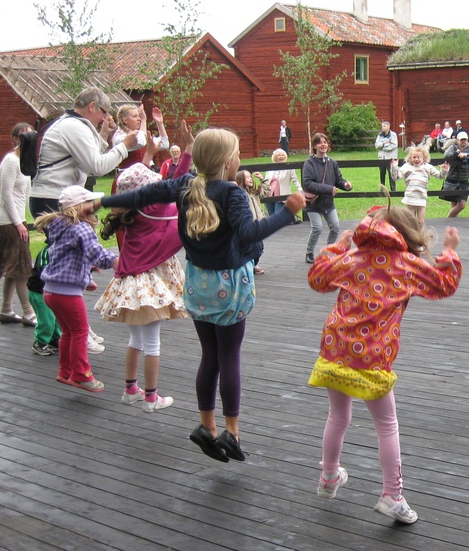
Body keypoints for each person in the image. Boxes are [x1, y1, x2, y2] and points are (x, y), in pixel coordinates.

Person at [95, 127, 307, 462]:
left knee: (210, 356)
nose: (239, 160)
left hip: (196, 285)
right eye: (236, 154)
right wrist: (287, 211)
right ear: (226, 162)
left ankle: (206, 425)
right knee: (229, 358)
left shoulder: (184, 187)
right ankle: (232, 432)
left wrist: (100, 201)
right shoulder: (230, 193)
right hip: (230, 287)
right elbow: (250, 231)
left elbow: (140, 197)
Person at [308, 202, 462, 524]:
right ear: (404, 231)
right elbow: (444, 284)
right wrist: (449, 252)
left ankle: (328, 477)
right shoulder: (406, 264)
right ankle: (392, 494)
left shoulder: (352, 258)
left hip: (336, 348)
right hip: (372, 356)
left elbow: (317, 278)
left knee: (338, 416)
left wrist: (338, 246)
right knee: (386, 424)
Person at [95, 155, 190, 412]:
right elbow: (175, 186)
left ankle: (130, 390)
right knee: (152, 344)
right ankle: (151, 397)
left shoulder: (132, 215)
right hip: (147, 289)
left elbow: (169, 185)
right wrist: (188, 155)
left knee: (135, 340)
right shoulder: (156, 212)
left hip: (129, 286)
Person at [34, 185, 119, 392]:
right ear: (80, 207)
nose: (95, 207)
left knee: (68, 333)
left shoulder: (59, 225)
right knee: (80, 332)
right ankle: (81, 375)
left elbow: (67, 257)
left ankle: (65, 372)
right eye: (90, 204)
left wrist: (86, 276)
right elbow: (97, 253)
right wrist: (117, 261)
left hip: (50, 292)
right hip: (67, 294)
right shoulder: (80, 227)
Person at [29, 87, 138, 218]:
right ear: (92, 106)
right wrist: (124, 146)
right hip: (53, 199)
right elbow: (99, 167)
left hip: (51, 197)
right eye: (104, 113)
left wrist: (104, 134)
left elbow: (90, 156)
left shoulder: (70, 123)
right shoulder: (75, 126)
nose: (105, 118)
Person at [0, 122, 36, 327]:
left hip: (18, 219)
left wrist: (31, 217)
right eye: (23, 136)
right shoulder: (10, 161)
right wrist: (18, 223)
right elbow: (6, 195)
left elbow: (25, 194)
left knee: (13, 267)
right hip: (8, 221)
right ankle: (29, 312)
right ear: (15, 139)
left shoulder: (25, 162)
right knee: (21, 268)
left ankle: (6, 310)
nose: (28, 139)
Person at [303, 133, 352, 264]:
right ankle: (309, 251)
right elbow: (308, 184)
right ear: (314, 146)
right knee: (317, 228)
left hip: (328, 203)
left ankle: (328, 251)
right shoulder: (309, 163)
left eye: (325, 142)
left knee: (335, 227)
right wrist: (328, 189)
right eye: (320, 142)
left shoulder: (332, 163)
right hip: (313, 203)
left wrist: (346, 185)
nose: (323, 144)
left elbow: (338, 180)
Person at [390, 142, 448, 226]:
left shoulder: (427, 167)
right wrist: (394, 167)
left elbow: (440, 176)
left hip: (421, 197)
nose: (416, 159)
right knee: (410, 221)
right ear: (410, 158)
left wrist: (444, 170)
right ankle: (412, 236)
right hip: (410, 196)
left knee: (420, 221)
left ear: (423, 158)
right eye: (414, 157)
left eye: (418, 157)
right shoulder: (407, 166)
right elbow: (396, 177)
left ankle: (420, 236)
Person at [112, 104, 170, 176]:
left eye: (139, 116)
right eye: (135, 116)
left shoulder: (140, 134)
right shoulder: (120, 137)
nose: (139, 119)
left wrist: (159, 123)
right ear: (125, 120)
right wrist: (143, 120)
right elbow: (141, 142)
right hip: (128, 179)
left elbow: (165, 144)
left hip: (143, 177)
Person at [26, 233, 60, 356]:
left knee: (56, 317)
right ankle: (39, 342)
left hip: (51, 291)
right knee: (47, 319)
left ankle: (54, 338)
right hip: (39, 291)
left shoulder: (63, 251)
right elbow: (43, 270)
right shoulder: (47, 252)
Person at [441, 131, 469, 218]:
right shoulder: (453, 147)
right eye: (461, 140)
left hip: (463, 180)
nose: (463, 141)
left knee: (461, 205)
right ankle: (454, 224)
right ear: (457, 140)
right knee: (454, 203)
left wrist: (466, 154)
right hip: (452, 179)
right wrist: (456, 154)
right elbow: (446, 155)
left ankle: (448, 219)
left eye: (465, 139)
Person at [262, 148, 301, 217]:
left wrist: (300, 190)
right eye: (279, 155)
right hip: (269, 195)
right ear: (275, 157)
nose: (281, 157)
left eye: (282, 155)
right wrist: (261, 178)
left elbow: (295, 180)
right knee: (271, 216)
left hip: (281, 196)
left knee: (277, 216)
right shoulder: (270, 168)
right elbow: (266, 181)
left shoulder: (289, 168)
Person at [375, 121, 399, 192]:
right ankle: (382, 189)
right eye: (382, 126)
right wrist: (383, 143)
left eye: (384, 126)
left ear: (388, 127)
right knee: (382, 173)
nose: (383, 128)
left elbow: (394, 145)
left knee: (391, 174)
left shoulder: (393, 135)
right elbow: (376, 145)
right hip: (382, 158)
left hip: (391, 157)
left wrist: (384, 148)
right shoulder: (380, 135)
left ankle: (393, 189)